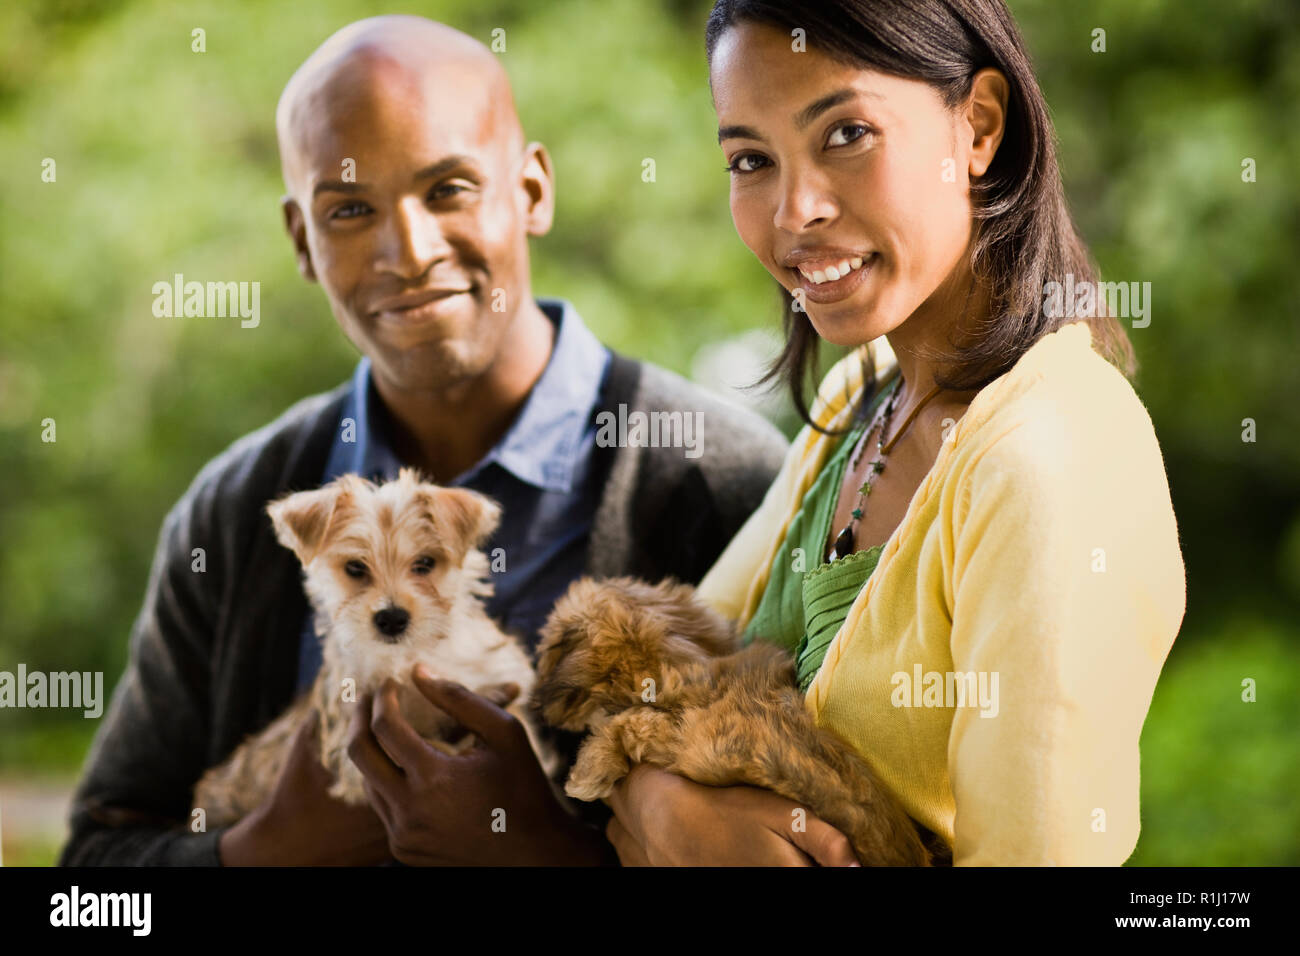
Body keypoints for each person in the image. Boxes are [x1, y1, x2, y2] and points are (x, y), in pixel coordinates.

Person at [58, 16, 788, 867]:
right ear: (302, 239)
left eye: (448, 189)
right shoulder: (234, 511)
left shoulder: (723, 485)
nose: (407, 251)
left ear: (533, 190)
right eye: (350, 209)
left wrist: (546, 852)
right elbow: (90, 885)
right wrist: (263, 850)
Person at [606, 0, 1186, 866]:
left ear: (980, 127)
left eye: (846, 134)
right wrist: (663, 807)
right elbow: (656, 678)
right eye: (751, 159)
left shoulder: (1049, 459)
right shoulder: (862, 398)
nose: (794, 211)